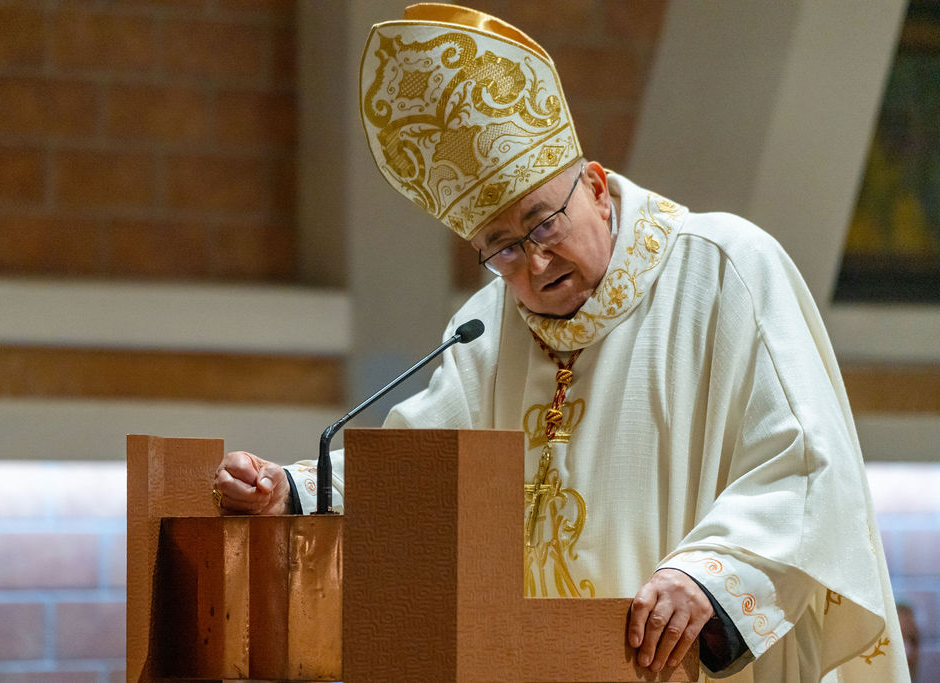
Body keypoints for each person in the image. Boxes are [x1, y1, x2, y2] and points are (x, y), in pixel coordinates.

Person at [213, 4, 912, 681]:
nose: (537, 263)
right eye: (504, 249)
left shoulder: (725, 267)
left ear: (597, 190)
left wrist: (708, 574)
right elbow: (420, 471)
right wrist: (293, 491)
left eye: (544, 224)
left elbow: (807, 463)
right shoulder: (487, 327)